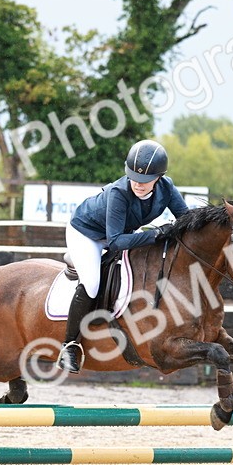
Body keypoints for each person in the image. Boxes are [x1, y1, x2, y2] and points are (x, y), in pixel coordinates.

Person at [58, 139, 190, 373]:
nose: (138, 184)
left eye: (145, 180)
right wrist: (157, 234)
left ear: (159, 177)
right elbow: (116, 241)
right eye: (134, 177)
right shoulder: (120, 192)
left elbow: (187, 219)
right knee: (91, 282)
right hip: (87, 233)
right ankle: (69, 345)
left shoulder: (167, 188)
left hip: (122, 232)